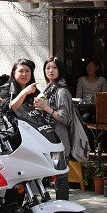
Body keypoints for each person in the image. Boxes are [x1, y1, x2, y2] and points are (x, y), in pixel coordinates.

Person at [33, 56, 72, 200]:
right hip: (49, 140)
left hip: (59, 142)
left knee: (61, 178)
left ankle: (63, 209)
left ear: (60, 70)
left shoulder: (62, 91)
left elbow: (65, 118)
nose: (51, 71)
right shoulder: (49, 89)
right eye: (48, 68)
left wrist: (46, 108)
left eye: (54, 67)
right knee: (53, 176)